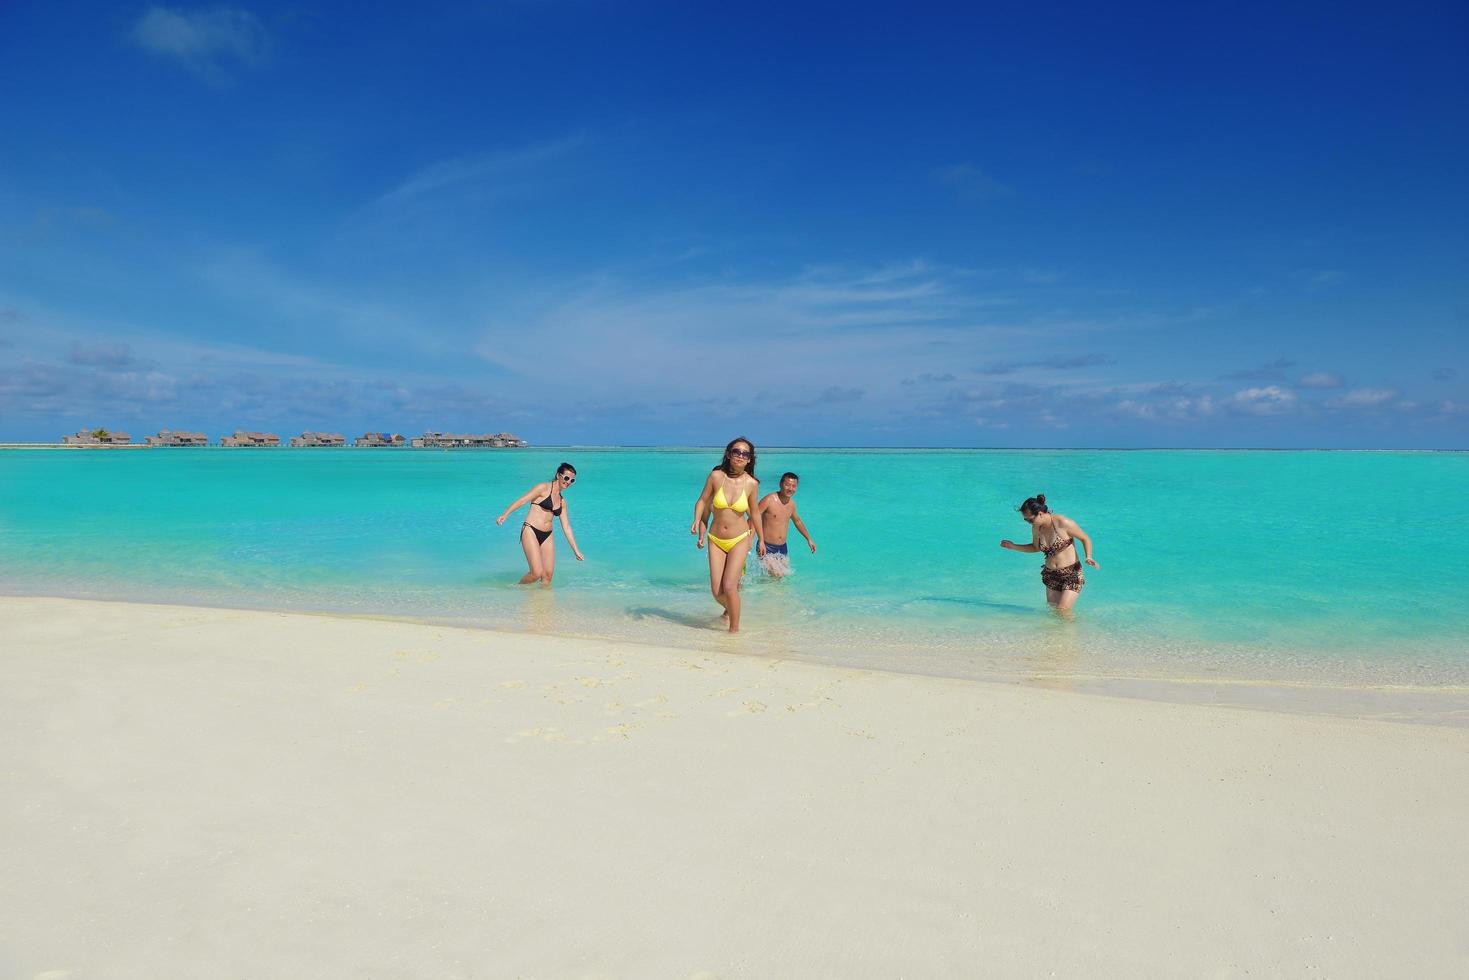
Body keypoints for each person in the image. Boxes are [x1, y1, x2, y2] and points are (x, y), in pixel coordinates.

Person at [691, 437, 764, 632]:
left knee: (730, 586)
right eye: (736, 452)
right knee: (717, 592)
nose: (740, 456)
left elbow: (755, 513)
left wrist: (760, 540)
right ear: (729, 454)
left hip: (739, 539)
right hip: (715, 540)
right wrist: (697, 520)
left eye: (745, 453)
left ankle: (734, 631)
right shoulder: (716, 476)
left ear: (750, 459)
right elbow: (702, 501)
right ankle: (732, 608)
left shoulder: (751, 484)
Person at [1000, 493, 1098, 610]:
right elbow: (1035, 547)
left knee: (1063, 610)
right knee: (1053, 613)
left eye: (1030, 520)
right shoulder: (1037, 528)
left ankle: (1073, 629)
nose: (1028, 523)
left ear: (1040, 514)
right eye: (1026, 520)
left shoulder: (1062, 522)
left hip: (1072, 574)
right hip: (1051, 575)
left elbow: (1085, 538)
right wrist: (1014, 546)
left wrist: (1088, 557)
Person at [495, 462, 585, 585]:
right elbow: (523, 500)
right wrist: (505, 514)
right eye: (567, 478)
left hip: (547, 535)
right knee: (536, 573)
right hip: (531, 530)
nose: (569, 482)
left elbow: (567, 527)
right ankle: (517, 589)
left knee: (547, 576)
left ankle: (543, 603)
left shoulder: (562, 501)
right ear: (559, 475)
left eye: (572, 480)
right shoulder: (543, 488)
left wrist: (576, 550)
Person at [757, 471, 815, 577]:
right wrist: (754, 541)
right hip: (766, 546)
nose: (790, 489)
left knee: (784, 577)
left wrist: (808, 539)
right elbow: (753, 518)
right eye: (787, 485)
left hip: (783, 548)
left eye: (793, 486)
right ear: (780, 484)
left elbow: (797, 521)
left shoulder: (791, 505)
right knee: (777, 575)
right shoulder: (769, 500)